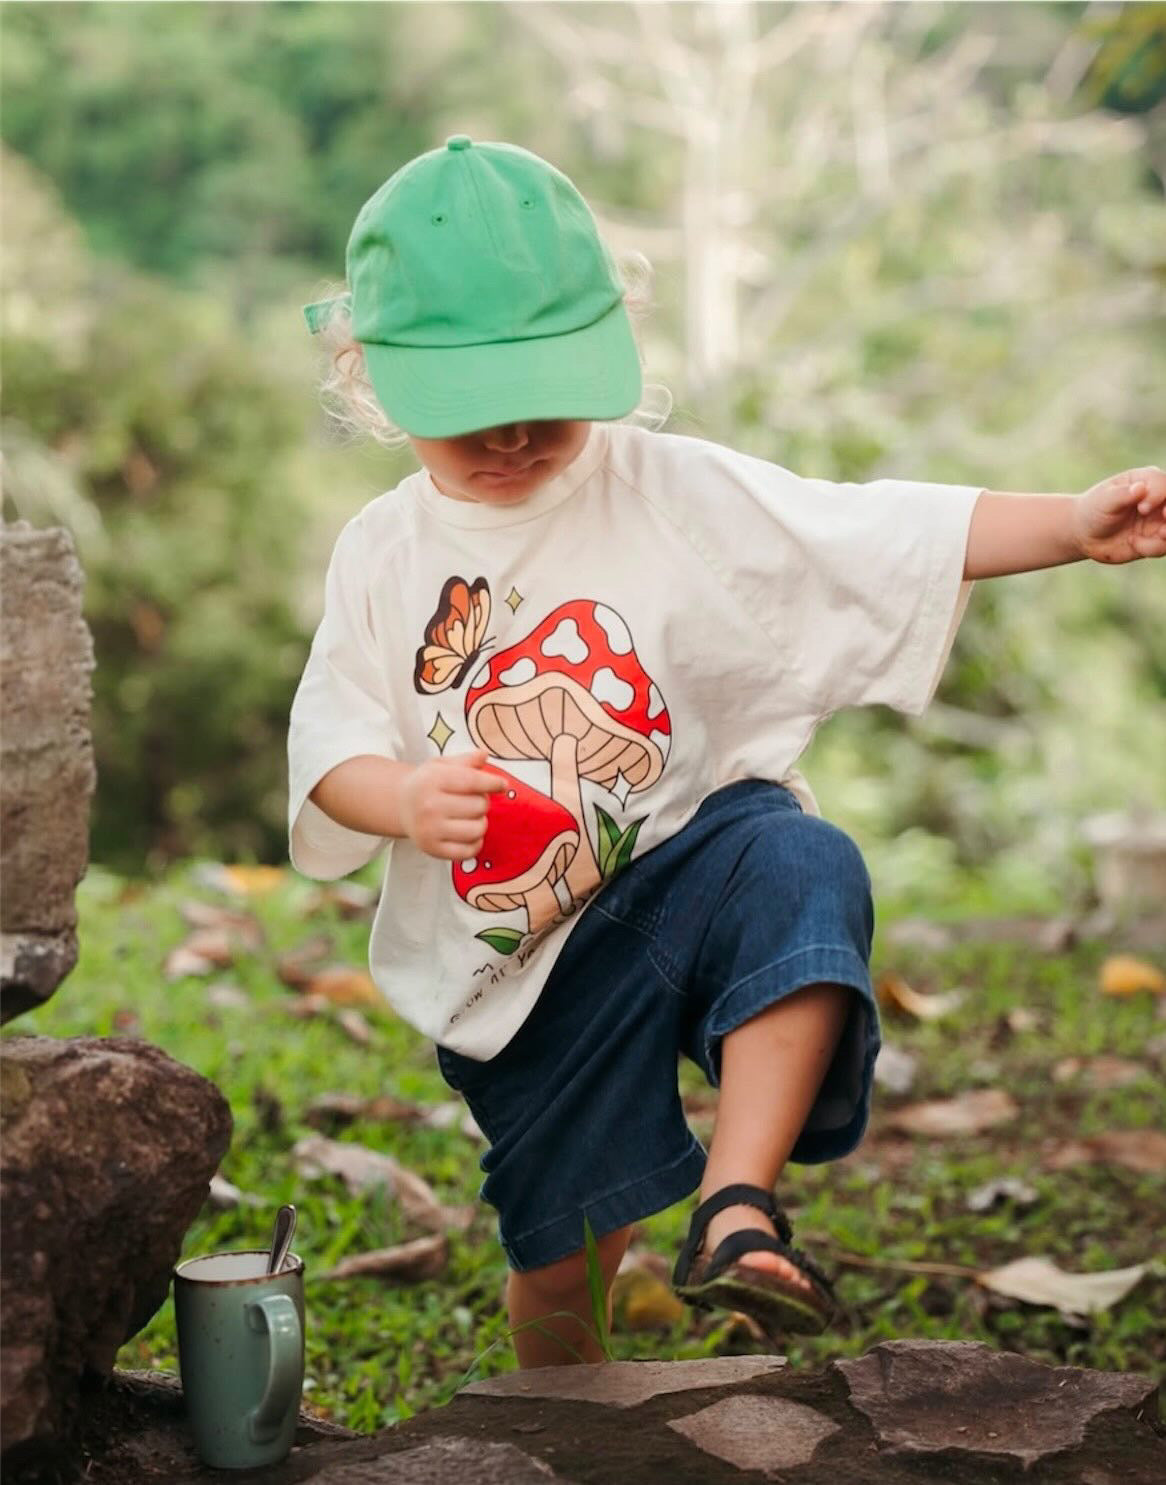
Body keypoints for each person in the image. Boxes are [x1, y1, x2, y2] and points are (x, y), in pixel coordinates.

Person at [289, 136, 1166, 1369]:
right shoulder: (382, 554)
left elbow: (869, 532)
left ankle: (736, 1209)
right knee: (563, 1250)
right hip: (520, 969)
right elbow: (329, 745)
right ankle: (557, 1414)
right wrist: (401, 796)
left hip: (680, 872)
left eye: (544, 403)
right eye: (471, 415)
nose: (513, 440)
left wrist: (1071, 524)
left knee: (800, 860)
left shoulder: (667, 491)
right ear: (371, 377)